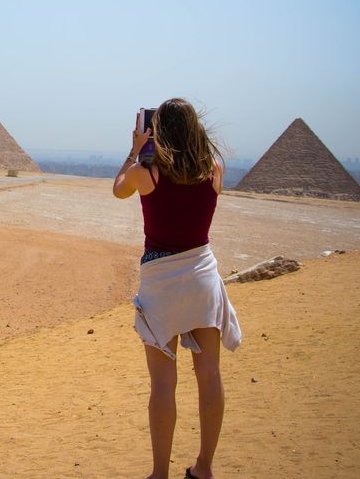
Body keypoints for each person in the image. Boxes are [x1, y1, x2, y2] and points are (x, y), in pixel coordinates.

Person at [112, 98, 241, 479]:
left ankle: (159, 474)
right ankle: (204, 467)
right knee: (210, 374)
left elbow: (118, 189)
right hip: (202, 276)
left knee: (164, 383)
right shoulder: (215, 168)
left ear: (158, 129)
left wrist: (135, 151)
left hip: (162, 281)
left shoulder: (145, 174)